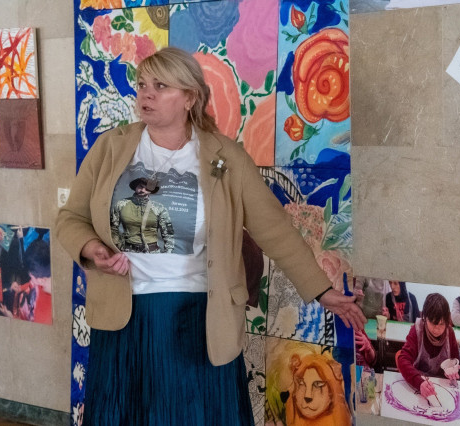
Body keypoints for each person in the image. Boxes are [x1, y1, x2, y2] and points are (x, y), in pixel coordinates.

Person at [55, 47, 364, 425]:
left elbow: (274, 229)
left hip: (198, 320)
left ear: (189, 97)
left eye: (160, 86)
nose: (146, 94)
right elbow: (71, 218)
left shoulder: (225, 157)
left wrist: (321, 289)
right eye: (142, 85)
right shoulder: (111, 148)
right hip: (123, 318)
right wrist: (91, 248)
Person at [396, 293, 460, 400]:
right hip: (419, 386)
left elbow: (457, 361)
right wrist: (419, 382)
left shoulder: (449, 333)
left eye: (441, 324)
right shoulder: (417, 330)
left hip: (442, 389)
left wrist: (453, 370)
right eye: (433, 323)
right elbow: (403, 359)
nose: (437, 329)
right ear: (425, 318)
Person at [110, 177, 174, 253]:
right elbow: (113, 228)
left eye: (147, 188)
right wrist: (118, 246)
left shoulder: (159, 208)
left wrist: (168, 253)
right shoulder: (121, 204)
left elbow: (168, 233)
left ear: (151, 190)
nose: (143, 190)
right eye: (140, 186)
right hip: (128, 251)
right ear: (135, 187)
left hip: (152, 253)